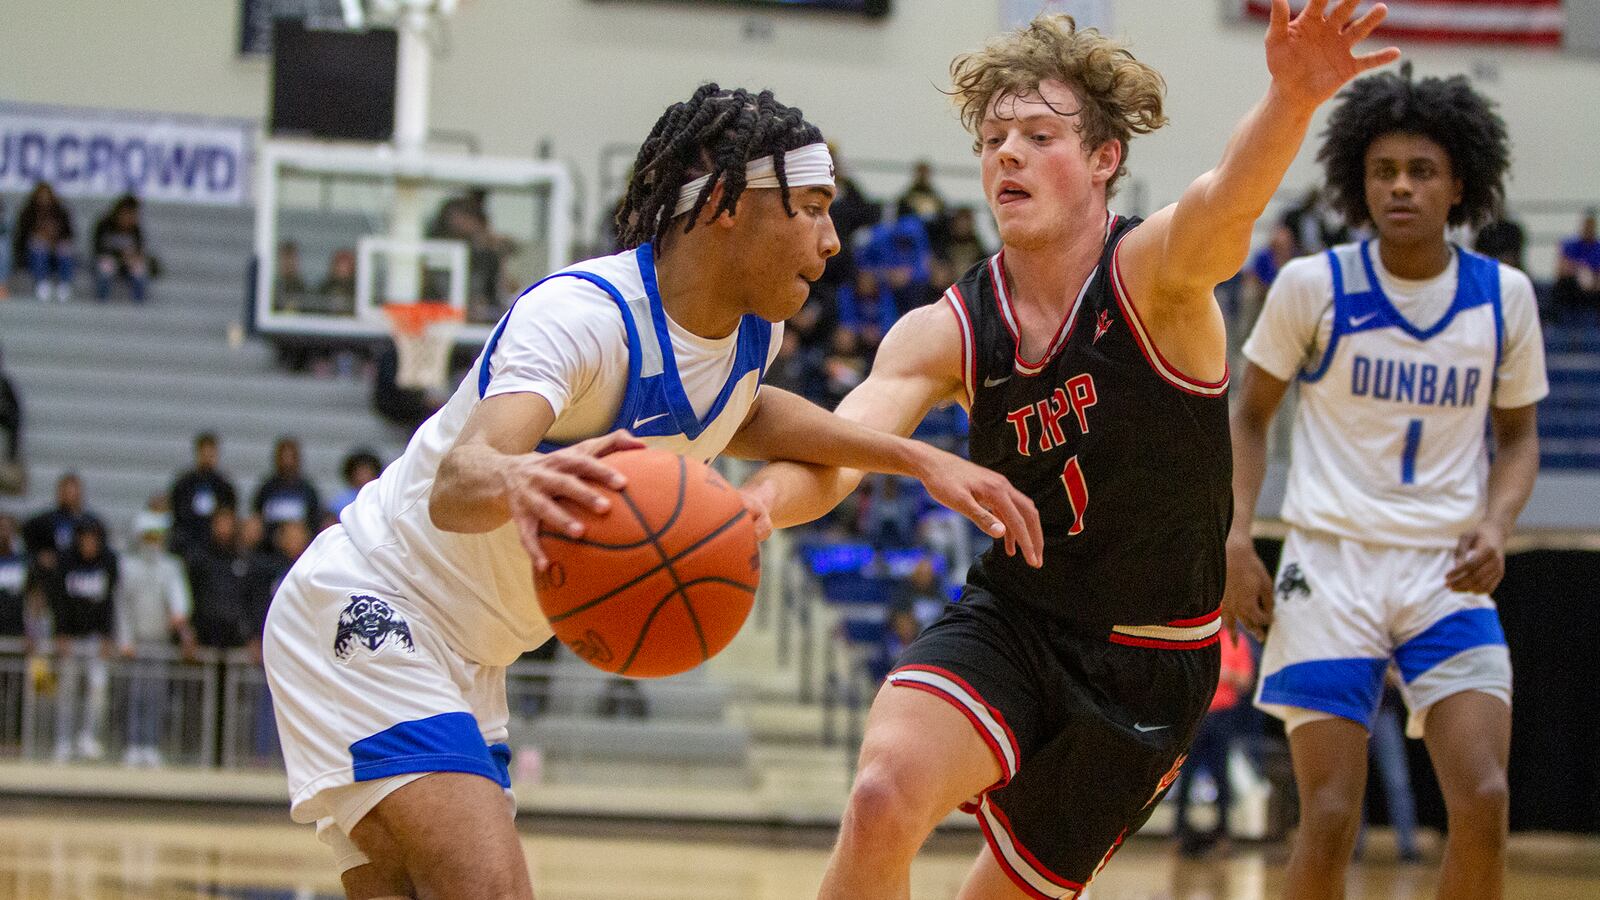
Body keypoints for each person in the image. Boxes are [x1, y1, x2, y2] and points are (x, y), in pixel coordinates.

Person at [262, 83, 1042, 900]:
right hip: (376, 603)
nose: (832, 241)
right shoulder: (580, 319)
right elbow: (459, 483)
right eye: (809, 209)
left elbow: (750, 415)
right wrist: (523, 474)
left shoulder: (751, 332)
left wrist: (916, 459)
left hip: (474, 659)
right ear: (728, 206)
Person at [740, 5, 1399, 897]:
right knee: (881, 795)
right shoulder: (949, 328)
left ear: (1102, 159)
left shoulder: (1154, 276)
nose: (1006, 152)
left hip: (1152, 666)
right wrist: (755, 508)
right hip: (1018, 620)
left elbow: (1230, 197)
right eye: (994, 136)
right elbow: (845, 446)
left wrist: (1289, 100)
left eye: (1039, 134)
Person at [1226, 64, 1544, 900]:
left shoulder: (1504, 298)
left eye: (1421, 171)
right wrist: (1234, 536)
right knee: (1330, 816)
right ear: (1357, 183)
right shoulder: (1311, 286)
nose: (1400, 187)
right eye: (1384, 171)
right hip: (1328, 568)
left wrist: (1499, 524)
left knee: (1483, 798)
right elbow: (1246, 415)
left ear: (1458, 186)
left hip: (1446, 571)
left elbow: (1518, 442)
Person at [114, 511, 197, 767]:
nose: (153, 541)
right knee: (134, 695)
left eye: (157, 536)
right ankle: (133, 743)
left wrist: (179, 615)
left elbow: (178, 597)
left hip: (160, 642)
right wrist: (125, 640)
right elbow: (123, 608)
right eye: (148, 536)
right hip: (137, 642)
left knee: (156, 696)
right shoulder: (128, 567)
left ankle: (150, 744)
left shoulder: (170, 566)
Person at [1171, 627, 1255, 858]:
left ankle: (1223, 836)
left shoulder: (1238, 641)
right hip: (1196, 715)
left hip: (1223, 717)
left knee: (1221, 777)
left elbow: (1246, 680)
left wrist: (1227, 675)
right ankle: (1178, 834)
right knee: (1184, 775)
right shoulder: (1199, 637)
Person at [49, 520, 118, 762]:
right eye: (84, 539)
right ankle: (64, 740)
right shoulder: (67, 564)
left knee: (97, 690)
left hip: (95, 639)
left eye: (93, 539)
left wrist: (108, 634)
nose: (89, 544)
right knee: (66, 690)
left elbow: (109, 601)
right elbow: (60, 601)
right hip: (71, 638)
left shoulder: (107, 563)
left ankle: (89, 737)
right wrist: (61, 632)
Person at [168, 432, 239, 555]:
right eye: (204, 452)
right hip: (189, 539)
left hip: (215, 542)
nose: (207, 456)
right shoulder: (184, 484)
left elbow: (229, 513)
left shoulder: (223, 486)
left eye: (210, 453)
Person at [13, 181, 77, 302]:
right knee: (38, 246)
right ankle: (41, 281)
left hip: (56, 248)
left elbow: (69, 234)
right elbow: (22, 237)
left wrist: (54, 239)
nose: (44, 198)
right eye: (41, 195)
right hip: (34, 252)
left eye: (46, 195)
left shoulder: (61, 212)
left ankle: (64, 284)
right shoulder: (28, 212)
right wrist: (39, 237)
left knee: (65, 248)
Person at [253, 436, 322, 542]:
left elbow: (313, 521)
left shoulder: (308, 490)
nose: (287, 462)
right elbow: (258, 517)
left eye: (291, 457)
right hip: (270, 542)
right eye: (284, 457)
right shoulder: (266, 489)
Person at [92, 194, 152, 303]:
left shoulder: (136, 230)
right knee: (106, 266)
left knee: (139, 269)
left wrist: (132, 258)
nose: (129, 219)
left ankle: (139, 303)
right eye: (127, 214)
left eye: (133, 215)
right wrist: (120, 255)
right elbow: (97, 249)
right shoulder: (104, 225)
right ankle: (102, 301)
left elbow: (140, 250)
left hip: (127, 263)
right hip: (108, 260)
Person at [1553, 208, 1600, 315]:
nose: (1588, 228)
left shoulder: (1598, 247)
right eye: (1586, 224)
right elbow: (1560, 269)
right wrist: (1580, 271)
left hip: (1593, 289)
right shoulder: (1569, 244)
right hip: (1572, 287)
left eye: (1591, 225)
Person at [329, 448, 383, 519]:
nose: (364, 477)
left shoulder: (382, 498)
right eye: (360, 473)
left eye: (367, 472)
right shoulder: (340, 503)